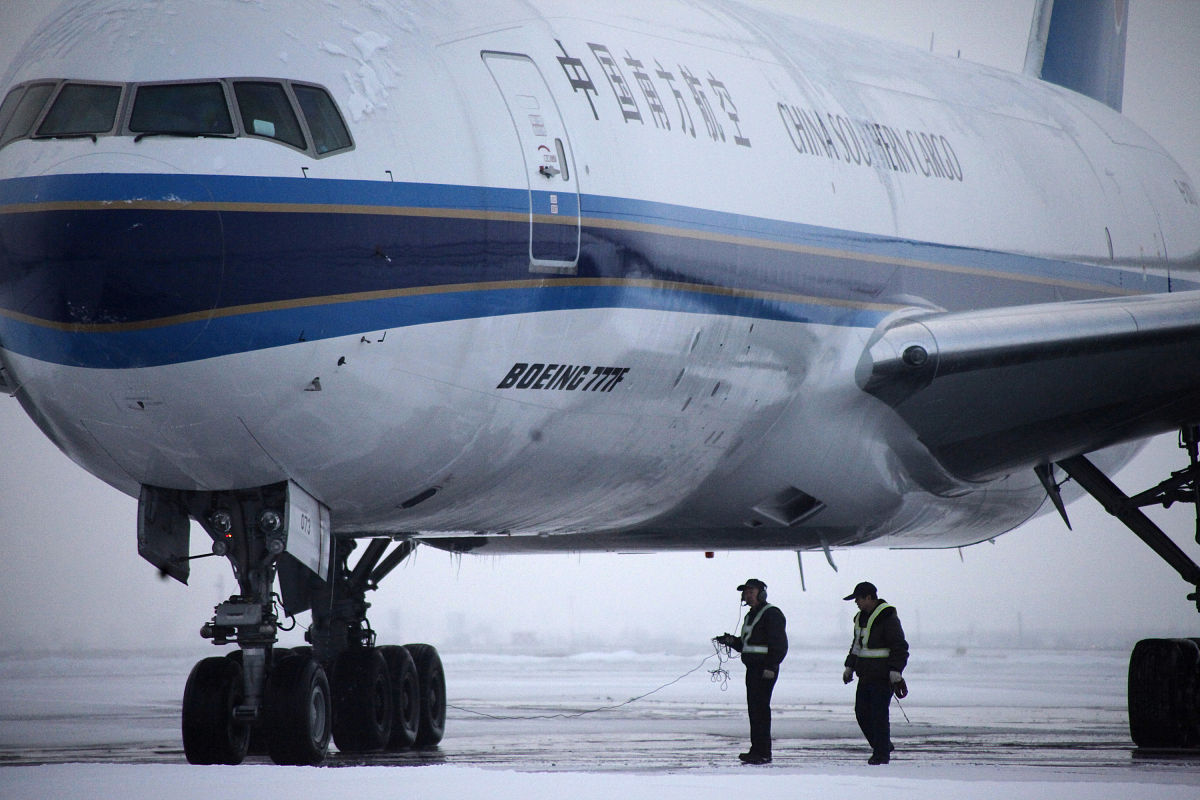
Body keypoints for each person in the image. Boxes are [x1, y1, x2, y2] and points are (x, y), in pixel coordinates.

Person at [714, 578, 787, 764]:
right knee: (754, 711)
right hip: (753, 670)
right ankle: (757, 750)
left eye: (751, 592)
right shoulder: (750, 616)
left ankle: (763, 753)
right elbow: (747, 645)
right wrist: (732, 641)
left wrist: (771, 666)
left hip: (765, 670)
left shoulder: (772, 614)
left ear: (761, 593)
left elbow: (779, 645)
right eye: (745, 592)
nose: (747, 595)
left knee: (761, 711)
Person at [841, 581, 909, 764]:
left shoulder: (887, 618)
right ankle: (883, 744)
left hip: (881, 676)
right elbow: (857, 645)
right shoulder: (860, 618)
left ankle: (881, 754)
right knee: (861, 713)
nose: (856, 603)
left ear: (869, 597)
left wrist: (896, 671)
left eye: (858, 599)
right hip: (865, 675)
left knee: (879, 715)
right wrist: (850, 666)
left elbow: (900, 647)